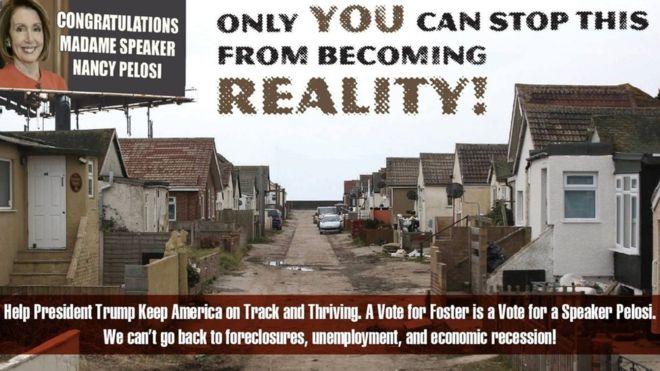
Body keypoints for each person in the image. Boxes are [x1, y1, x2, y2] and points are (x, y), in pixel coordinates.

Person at [0, 0, 66, 90]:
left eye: (36, 29)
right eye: (20, 29)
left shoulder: (57, 83)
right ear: (7, 37)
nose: (30, 39)